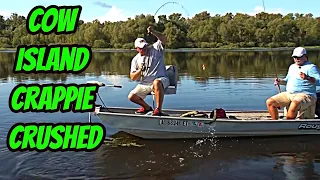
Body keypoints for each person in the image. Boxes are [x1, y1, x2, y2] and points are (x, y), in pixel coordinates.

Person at [266, 47, 320, 120]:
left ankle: (289, 124)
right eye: (295, 57)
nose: (297, 59)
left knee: (294, 104)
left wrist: (307, 78)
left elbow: (319, 81)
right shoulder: (292, 67)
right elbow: (287, 80)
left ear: (305, 56)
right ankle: (275, 123)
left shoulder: (311, 67)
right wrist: (280, 81)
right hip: (290, 93)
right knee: (270, 102)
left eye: (299, 57)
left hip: (307, 94)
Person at [128, 26, 170, 116]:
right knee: (131, 96)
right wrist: (140, 70)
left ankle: (158, 110)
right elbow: (132, 77)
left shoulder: (156, 49)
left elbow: (164, 39)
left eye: (145, 46)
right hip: (145, 83)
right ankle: (147, 108)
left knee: (156, 82)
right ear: (137, 49)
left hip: (161, 80)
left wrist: (153, 32)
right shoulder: (135, 59)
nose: (144, 49)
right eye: (141, 48)